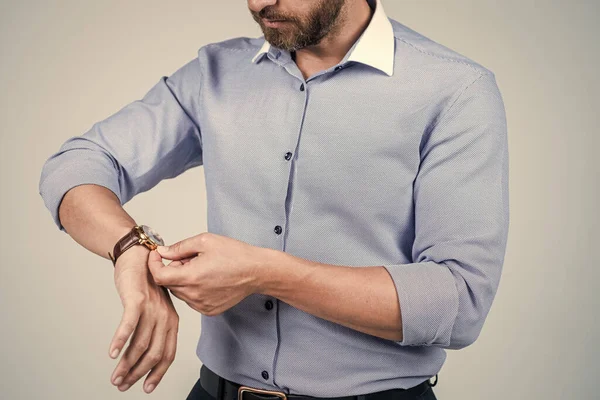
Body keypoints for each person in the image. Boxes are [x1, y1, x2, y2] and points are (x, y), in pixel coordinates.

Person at [38, 0, 509, 399]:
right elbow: (78, 164)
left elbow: (459, 303)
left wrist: (266, 273)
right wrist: (130, 251)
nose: (260, 1)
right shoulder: (215, 73)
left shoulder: (454, 91)